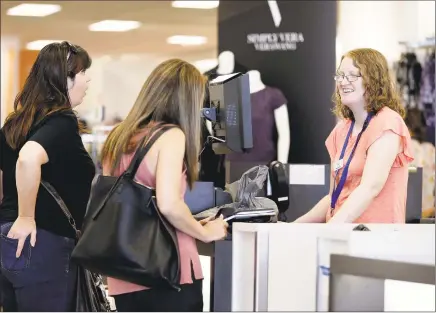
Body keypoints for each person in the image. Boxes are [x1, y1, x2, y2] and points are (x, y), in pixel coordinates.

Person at [100, 59, 229, 312]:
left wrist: (190, 224)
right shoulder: (171, 136)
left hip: (124, 271)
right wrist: (204, 232)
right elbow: (168, 204)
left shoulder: (118, 136)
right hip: (168, 272)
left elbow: (124, 202)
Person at [0, 41, 94, 311]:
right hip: (42, 243)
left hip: (9, 240)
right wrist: (26, 216)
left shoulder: (15, 123)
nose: (87, 80)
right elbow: (28, 158)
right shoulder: (61, 121)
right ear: (64, 79)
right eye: (83, 72)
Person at [295, 48, 413, 224]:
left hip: (375, 240)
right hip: (340, 236)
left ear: (373, 80)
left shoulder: (388, 124)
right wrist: (294, 226)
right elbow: (333, 197)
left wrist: (331, 228)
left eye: (352, 75)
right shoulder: (341, 130)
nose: (343, 82)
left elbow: (370, 187)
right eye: (340, 75)